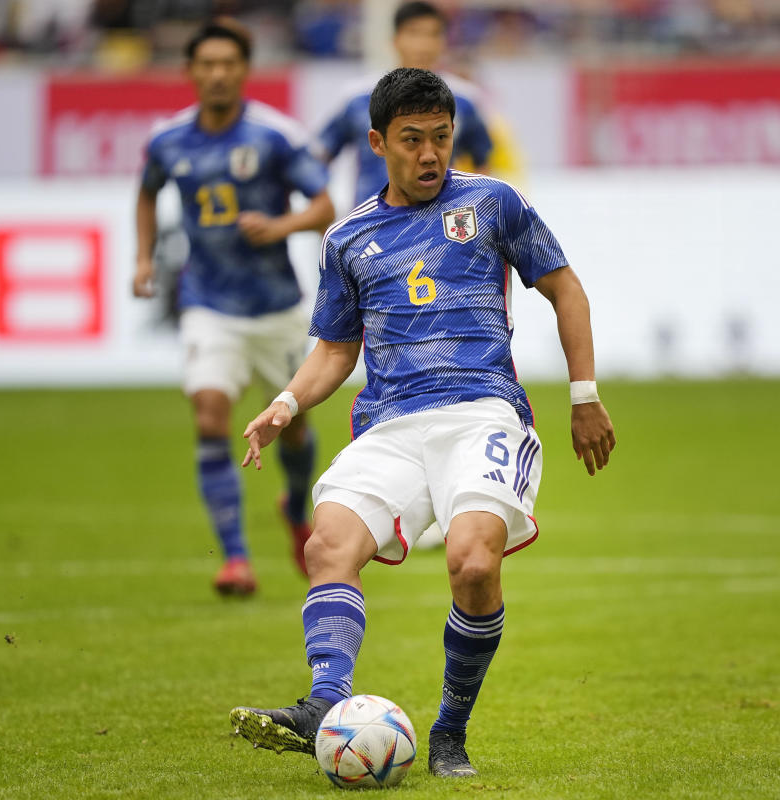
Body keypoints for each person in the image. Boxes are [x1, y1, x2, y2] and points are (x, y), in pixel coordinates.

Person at [228, 68, 615, 778]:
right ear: (378, 143)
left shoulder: (493, 203)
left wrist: (584, 394)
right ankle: (324, 702)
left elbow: (565, 288)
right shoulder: (348, 238)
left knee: (472, 563)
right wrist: (285, 404)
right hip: (392, 424)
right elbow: (337, 348)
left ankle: (448, 731)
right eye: (413, 141)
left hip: (481, 413)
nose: (431, 154)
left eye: (441, 138)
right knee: (328, 547)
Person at [133, 19, 335, 596]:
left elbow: (325, 204)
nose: (218, 74)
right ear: (191, 71)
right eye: (208, 64)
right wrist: (144, 259)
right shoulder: (169, 140)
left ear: (244, 71)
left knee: (292, 431)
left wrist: (280, 225)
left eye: (229, 64)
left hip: (277, 308)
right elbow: (147, 191)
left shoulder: (275, 136)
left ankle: (295, 509)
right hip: (208, 304)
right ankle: (237, 560)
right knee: (209, 416)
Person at [311, 0, 493, 208]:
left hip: (436, 229)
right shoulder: (358, 98)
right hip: (370, 228)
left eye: (432, 34)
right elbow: (319, 156)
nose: (423, 44)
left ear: (444, 42)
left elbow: (483, 161)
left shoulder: (464, 100)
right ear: (395, 40)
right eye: (414, 33)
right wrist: (324, 207)